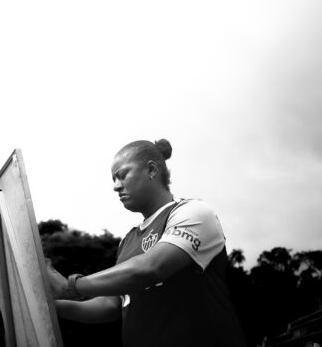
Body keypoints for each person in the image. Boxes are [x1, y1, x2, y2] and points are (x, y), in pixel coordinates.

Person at [46, 138, 247, 347]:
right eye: (113, 179)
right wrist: (51, 306)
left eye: (122, 175)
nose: (116, 186)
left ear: (151, 170)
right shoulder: (127, 241)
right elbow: (110, 304)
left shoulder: (193, 212)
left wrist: (70, 286)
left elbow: (151, 267)